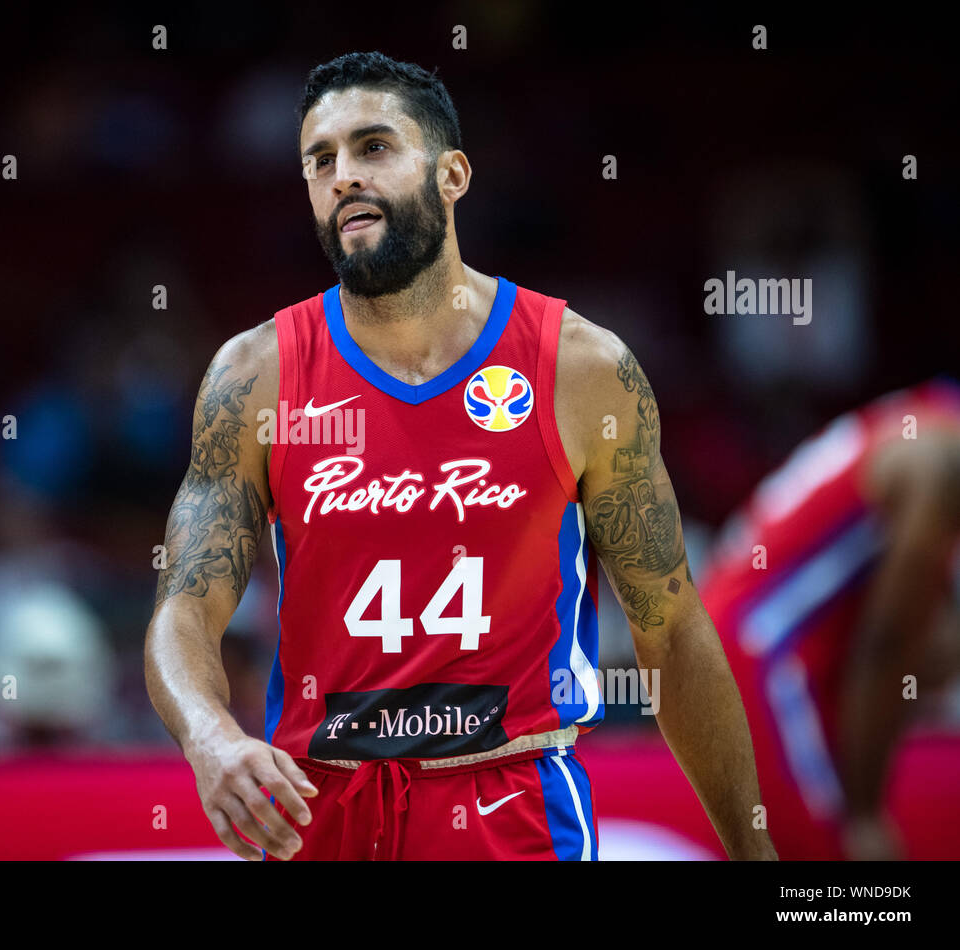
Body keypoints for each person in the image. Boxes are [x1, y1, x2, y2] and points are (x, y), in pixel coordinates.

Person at [144, 51, 776, 861]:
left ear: (452, 175)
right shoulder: (253, 376)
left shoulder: (580, 368)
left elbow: (673, 631)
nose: (342, 175)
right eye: (320, 160)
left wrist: (757, 857)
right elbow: (183, 609)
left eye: (373, 147)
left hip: (509, 805)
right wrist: (210, 738)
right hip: (315, 807)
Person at [699, 376, 960, 859]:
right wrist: (865, 810)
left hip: (744, 637)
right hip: (759, 656)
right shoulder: (941, 463)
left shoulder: (908, 426)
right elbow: (888, 642)